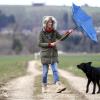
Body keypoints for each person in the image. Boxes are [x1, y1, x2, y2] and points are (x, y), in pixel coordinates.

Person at [38, 16, 73, 93]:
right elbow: (40, 44)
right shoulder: (41, 33)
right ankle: (44, 86)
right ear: (45, 23)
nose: (50, 23)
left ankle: (58, 86)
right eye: (49, 22)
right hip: (45, 55)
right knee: (45, 73)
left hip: (53, 54)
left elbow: (61, 38)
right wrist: (50, 44)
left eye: (51, 22)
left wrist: (68, 33)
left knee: (55, 71)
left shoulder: (54, 32)